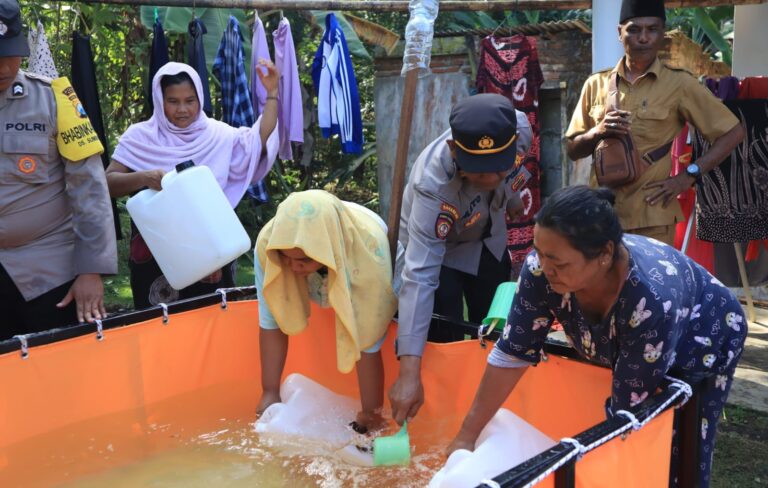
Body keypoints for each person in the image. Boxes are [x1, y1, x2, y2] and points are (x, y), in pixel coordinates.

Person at [447, 186, 747, 488]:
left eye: (559, 262)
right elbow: (512, 352)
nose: (545, 268)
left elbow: (625, 416)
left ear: (604, 254)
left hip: (703, 333)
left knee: (675, 445)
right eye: (539, 252)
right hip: (642, 330)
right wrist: (465, 438)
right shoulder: (541, 270)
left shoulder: (651, 302)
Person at [388, 93, 533, 426]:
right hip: (442, 254)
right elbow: (420, 275)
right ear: (455, 152)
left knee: (496, 328)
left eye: (499, 167)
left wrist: (507, 196)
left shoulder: (520, 128)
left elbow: (514, 171)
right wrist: (408, 374)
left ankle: (496, 414)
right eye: (480, 173)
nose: (491, 179)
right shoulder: (432, 184)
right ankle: (444, 413)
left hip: (489, 240)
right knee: (444, 335)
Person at [565, 0, 745, 246]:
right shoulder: (596, 84)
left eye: (652, 29)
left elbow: (733, 133)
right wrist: (598, 131)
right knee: (604, 285)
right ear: (620, 33)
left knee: (653, 285)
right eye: (634, 29)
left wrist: (688, 175)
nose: (643, 38)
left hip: (652, 216)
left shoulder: (680, 84)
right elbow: (573, 150)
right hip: (603, 216)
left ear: (662, 35)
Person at [106, 62, 279, 308]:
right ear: (159, 100)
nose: (182, 109)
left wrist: (272, 94)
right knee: (159, 330)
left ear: (200, 98)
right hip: (156, 254)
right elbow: (108, 182)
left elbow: (259, 138)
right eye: (173, 101)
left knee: (212, 325)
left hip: (212, 249)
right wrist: (144, 178)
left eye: (190, 100)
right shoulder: (140, 137)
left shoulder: (218, 135)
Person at [0, 0, 117, 339]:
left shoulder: (56, 97)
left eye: (10, 53)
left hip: (48, 271)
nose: (4, 67)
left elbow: (90, 189)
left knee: (56, 375)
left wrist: (91, 270)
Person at [254, 190, 398, 432]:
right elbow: (271, 321)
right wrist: (269, 392)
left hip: (360, 256)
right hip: (325, 242)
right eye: (286, 259)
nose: (293, 267)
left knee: (367, 329)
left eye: (302, 261)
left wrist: (371, 415)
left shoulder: (371, 258)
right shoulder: (269, 247)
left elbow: (367, 342)